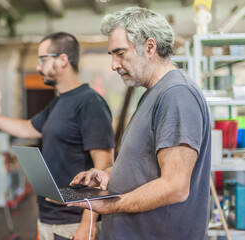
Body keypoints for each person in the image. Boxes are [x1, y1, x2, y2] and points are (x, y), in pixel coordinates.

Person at [0, 32, 115, 240]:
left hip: (71, 224)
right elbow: (27, 128)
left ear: (63, 60)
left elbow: (103, 167)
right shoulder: (58, 103)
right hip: (49, 219)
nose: (38, 67)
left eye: (43, 60)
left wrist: (88, 224)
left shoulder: (90, 103)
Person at [68, 7, 211, 240]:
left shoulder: (177, 94)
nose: (114, 65)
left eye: (120, 53)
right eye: (112, 55)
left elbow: (175, 186)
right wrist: (107, 174)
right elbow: (145, 167)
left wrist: (109, 205)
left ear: (150, 47)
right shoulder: (153, 93)